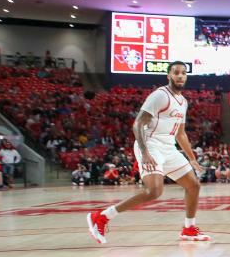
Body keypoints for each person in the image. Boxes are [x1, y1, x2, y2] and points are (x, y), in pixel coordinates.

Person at [86, 61, 209, 244]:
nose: (180, 76)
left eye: (183, 73)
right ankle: (102, 216)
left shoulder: (183, 102)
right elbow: (137, 124)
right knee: (154, 191)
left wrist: (192, 159)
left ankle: (189, 229)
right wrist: (145, 153)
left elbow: (180, 134)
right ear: (169, 76)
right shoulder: (159, 95)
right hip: (150, 144)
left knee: (193, 185)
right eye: (176, 72)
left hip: (168, 148)